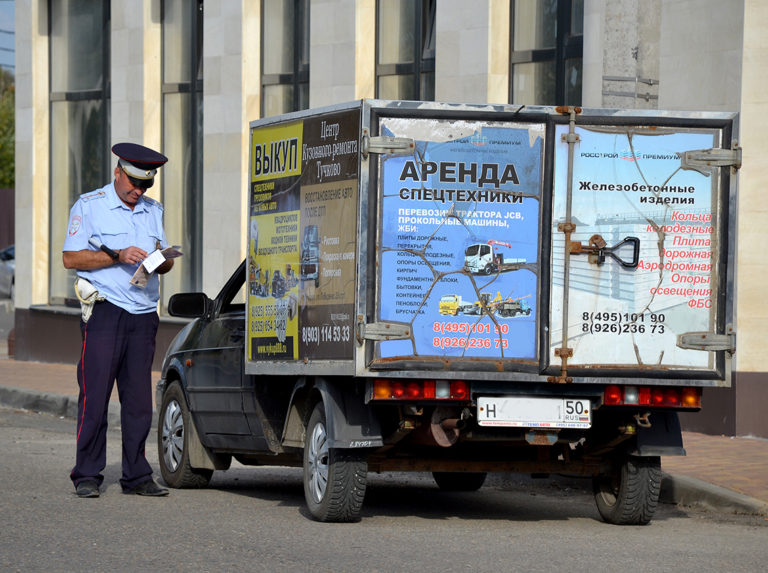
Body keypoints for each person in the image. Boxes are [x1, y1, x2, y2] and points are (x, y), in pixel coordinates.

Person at [63, 143, 175, 498]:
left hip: (143, 314)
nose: (137, 191)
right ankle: (87, 473)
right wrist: (116, 256)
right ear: (118, 172)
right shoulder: (90, 205)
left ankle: (137, 475)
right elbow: (70, 258)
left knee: (139, 401)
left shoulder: (152, 210)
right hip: (105, 311)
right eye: (133, 183)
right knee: (94, 397)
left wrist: (162, 259)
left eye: (144, 185)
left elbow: (166, 257)